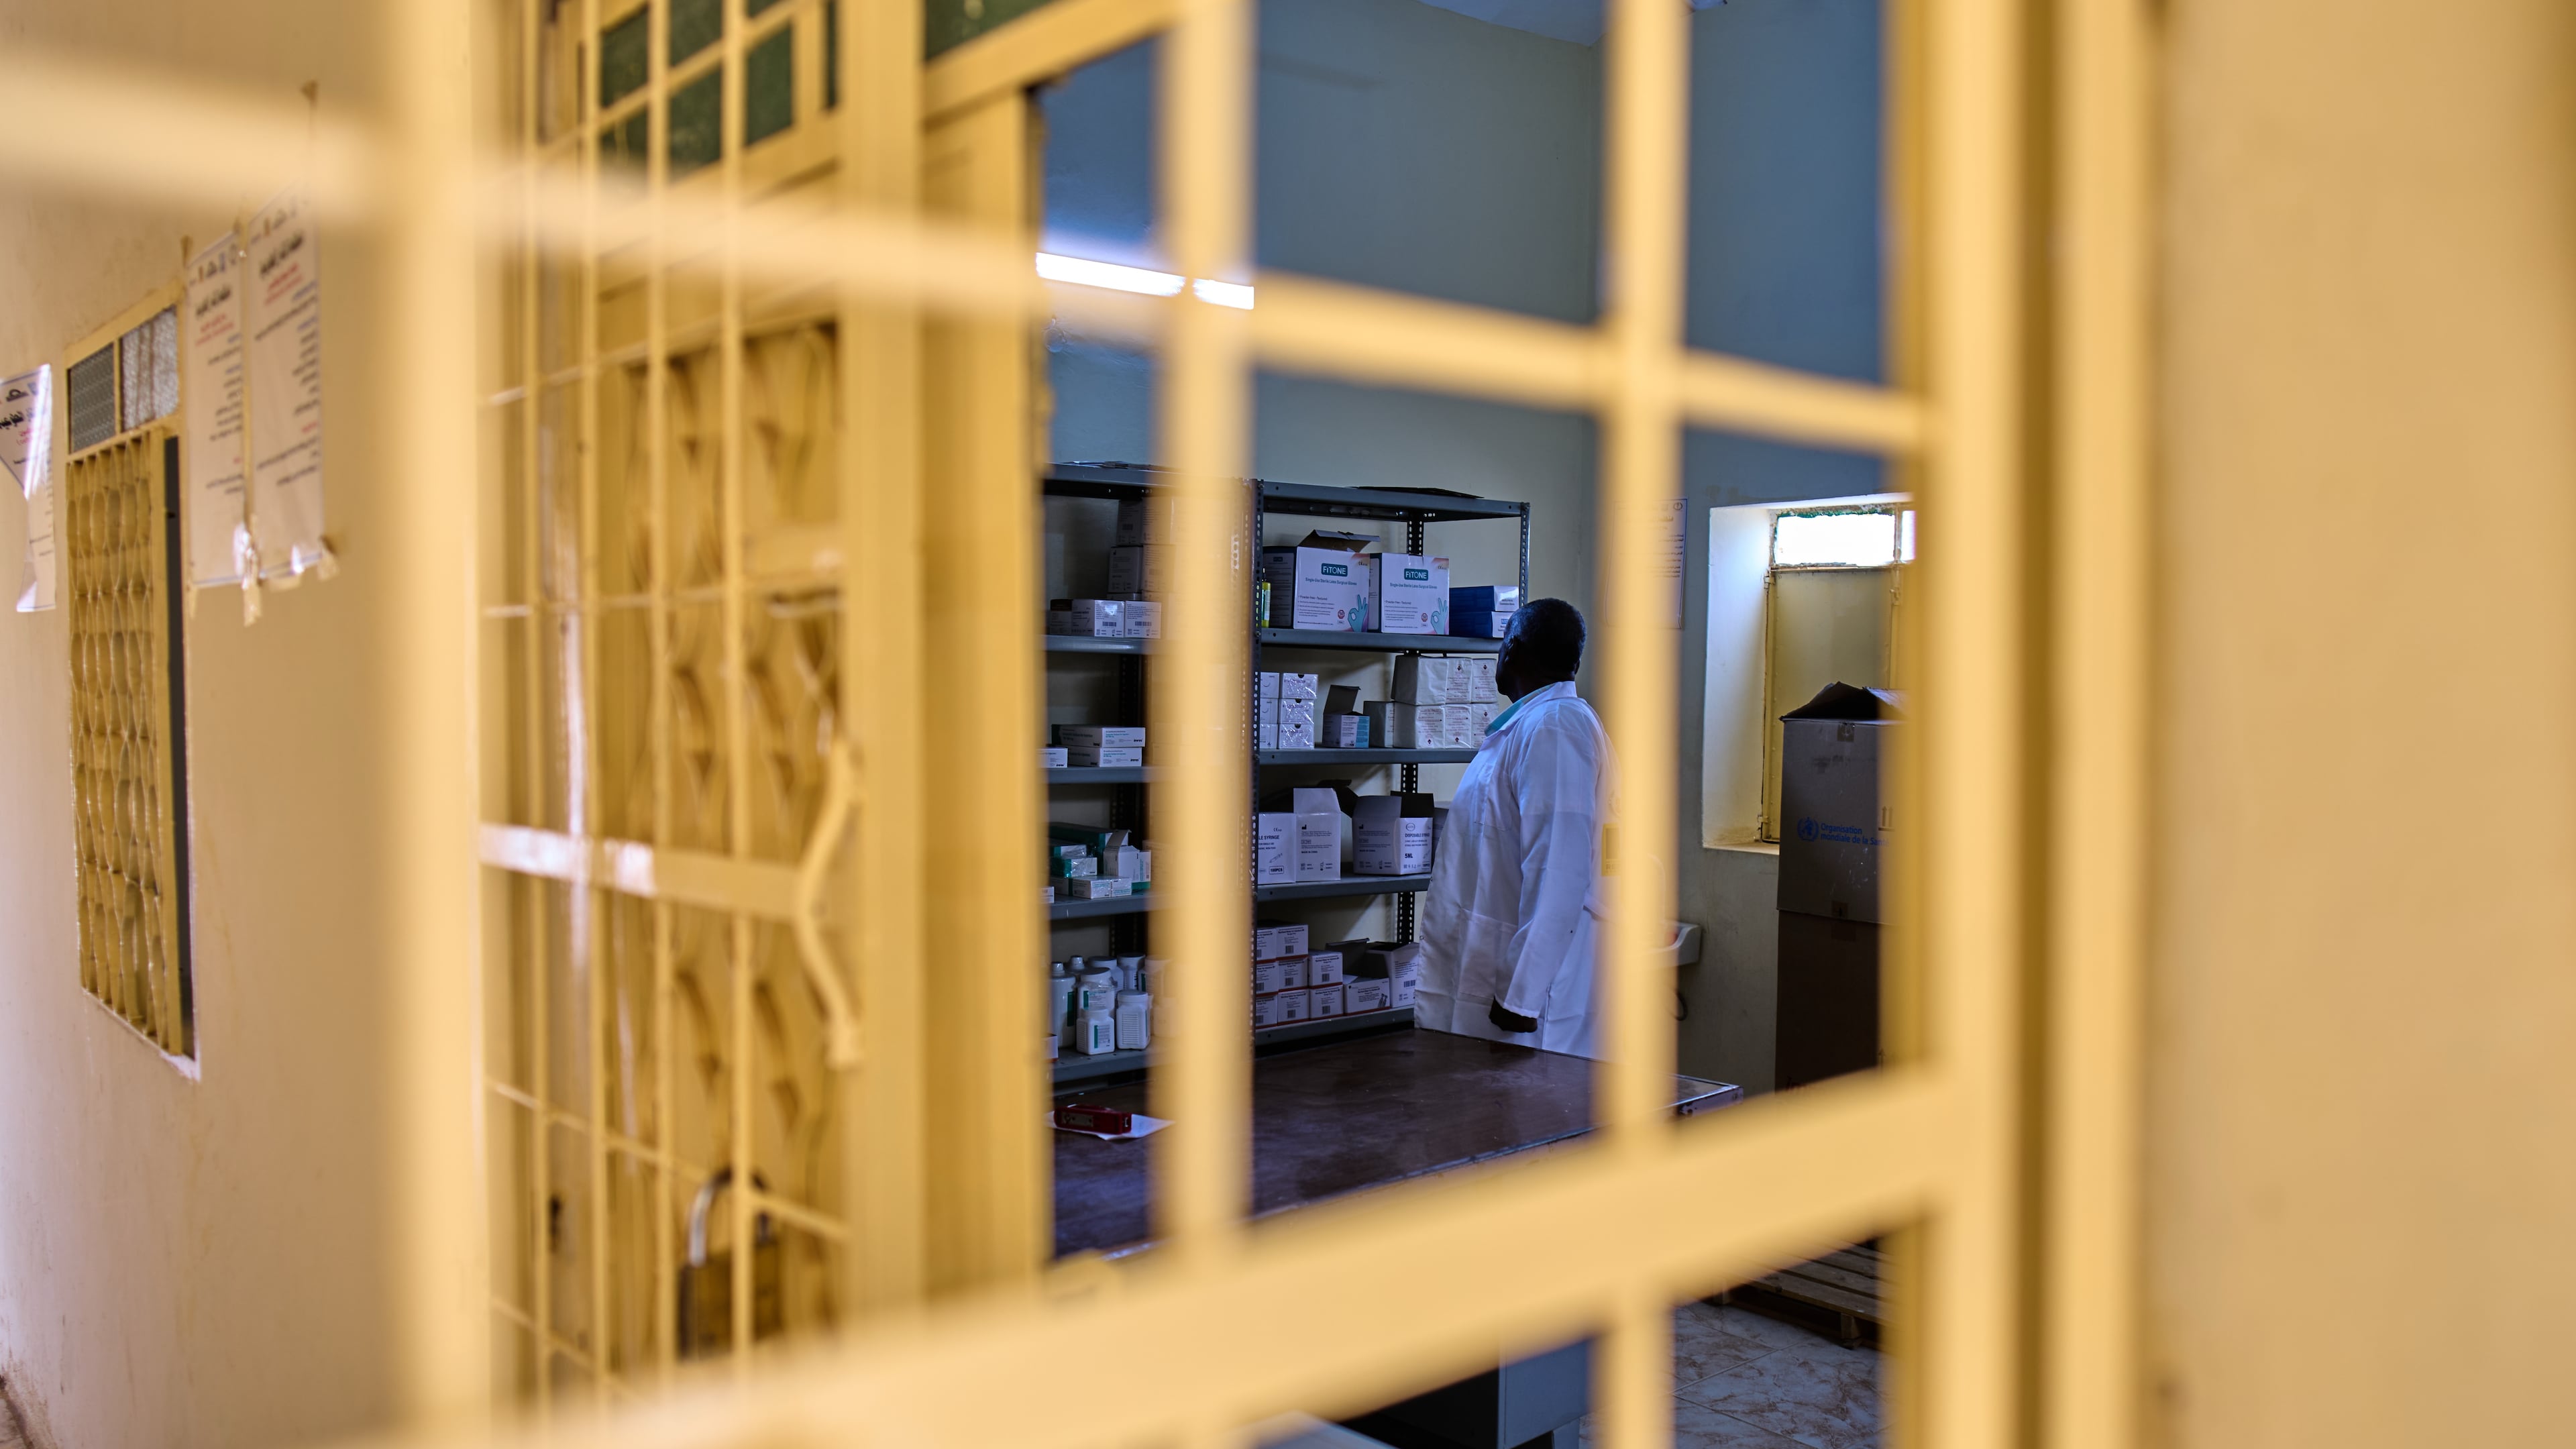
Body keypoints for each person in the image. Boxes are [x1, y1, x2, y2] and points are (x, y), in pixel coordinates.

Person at [1414, 598, 1615, 1058]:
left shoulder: (1556, 726)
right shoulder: (1529, 726)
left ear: (1513, 649)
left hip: (1530, 1008)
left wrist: (1519, 1002)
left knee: (1526, 1116)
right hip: (1498, 977)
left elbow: (1560, 867)